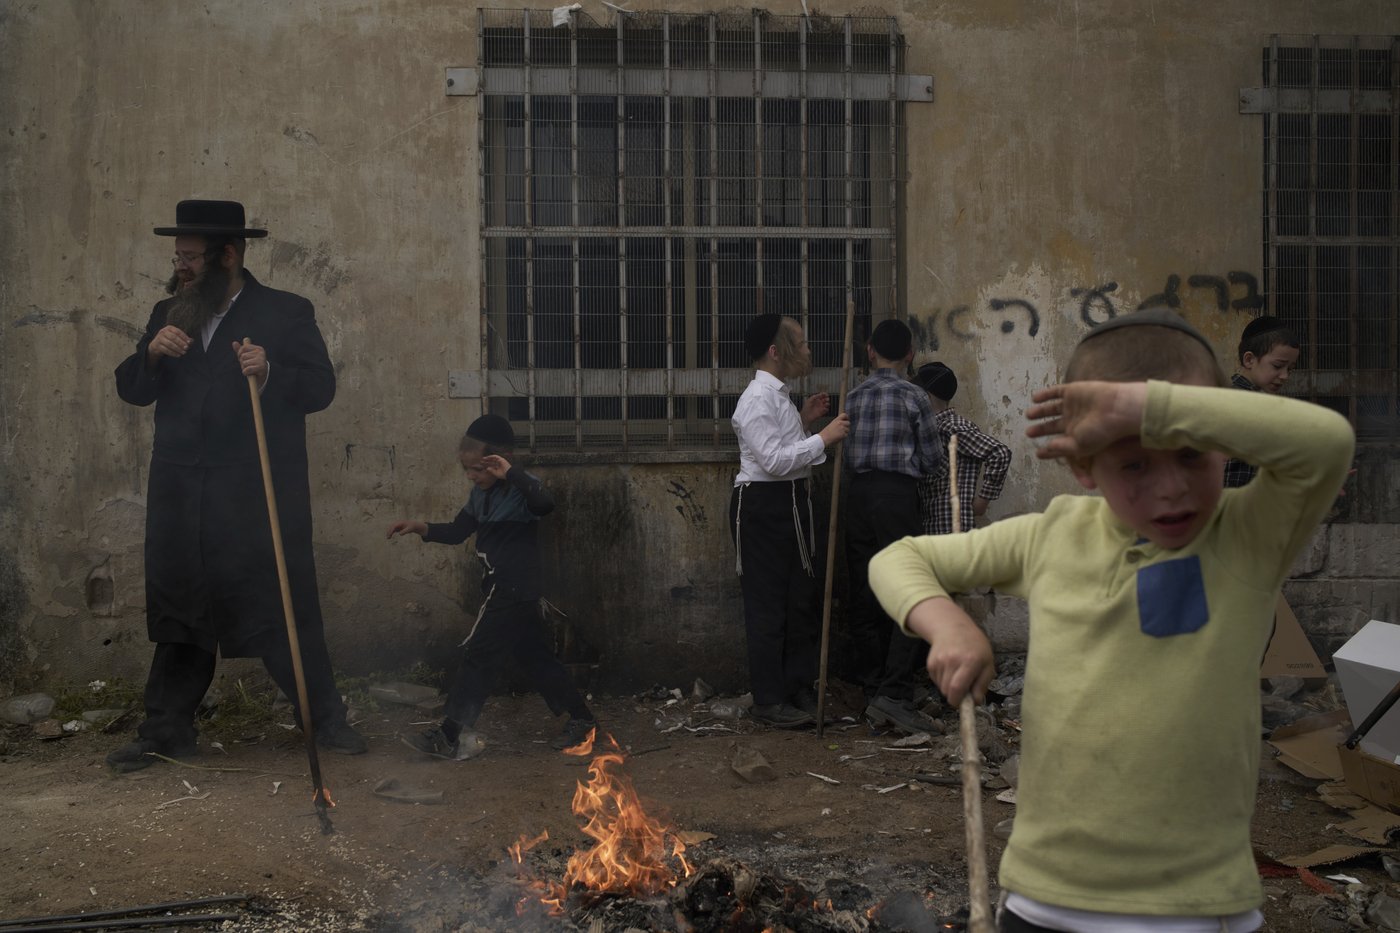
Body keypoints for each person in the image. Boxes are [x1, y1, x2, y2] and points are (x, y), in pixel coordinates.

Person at [870, 308, 1353, 932]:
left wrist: (1147, 411)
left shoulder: (1247, 534)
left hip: (1195, 907)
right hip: (1044, 899)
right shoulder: (1053, 536)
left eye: (1191, 454)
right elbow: (899, 559)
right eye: (1134, 464)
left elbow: (1327, 444)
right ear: (1083, 465)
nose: (1172, 488)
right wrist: (948, 624)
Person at [110, 199, 364, 773]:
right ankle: (166, 730)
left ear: (229, 256)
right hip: (181, 496)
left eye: (192, 256)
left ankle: (325, 722)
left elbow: (319, 389)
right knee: (180, 614)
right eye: (178, 255)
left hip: (256, 497)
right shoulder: (168, 312)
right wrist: (149, 353)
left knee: (282, 610)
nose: (181, 266)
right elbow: (133, 390)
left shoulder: (285, 312)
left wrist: (270, 372)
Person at [389, 414, 597, 758]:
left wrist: (510, 474)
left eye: (479, 469)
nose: (472, 476)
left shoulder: (521, 489)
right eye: (468, 470)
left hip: (512, 591)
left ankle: (448, 736)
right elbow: (458, 531)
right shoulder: (479, 495)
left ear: (501, 462)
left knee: (478, 657)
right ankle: (582, 720)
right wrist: (420, 527)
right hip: (503, 590)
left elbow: (546, 505)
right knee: (536, 659)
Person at [730, 313, 849, 728]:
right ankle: (768, 699)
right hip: (764, 505)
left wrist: (804, 421)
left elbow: (782, 445)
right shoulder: (756, 400)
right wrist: (824, 437)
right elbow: (775, 461)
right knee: (767, 605)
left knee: (799, 598)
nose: (808, 350)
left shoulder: (778, 398)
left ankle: (796, 686)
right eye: (799, 342)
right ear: (776, 351)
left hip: (791, 503)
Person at [843, 320, 945, 734]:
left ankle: (874, 686)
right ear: (910, 355)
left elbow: (847, 454)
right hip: (897, 496)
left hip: (857, 497)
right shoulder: (914, 395)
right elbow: (933, 459)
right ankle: (895, 693)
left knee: (867, 590)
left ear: (870, 351)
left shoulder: (854, 395)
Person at [913, 361, 1012, 535]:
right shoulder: (934, 428)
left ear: (925, 398)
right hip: (937, 529)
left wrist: (982, 502)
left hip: (949, 531)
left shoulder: (949, 427)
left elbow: (999, 452)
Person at [1224, 315, 1300, 488]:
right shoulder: (1240, 403)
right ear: (1249, 360)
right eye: (1277, 366)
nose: (1285, 376)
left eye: (1290, 369)